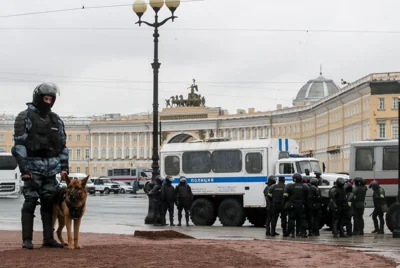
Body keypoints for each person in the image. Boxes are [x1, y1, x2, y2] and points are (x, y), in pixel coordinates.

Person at [11, 82, 67, 249]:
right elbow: (19, 145)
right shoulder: (24, 117)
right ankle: (27, 239)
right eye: (46, 98)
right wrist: (24, 170)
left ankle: (48, 238)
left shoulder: (56, 119)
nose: (48, 101)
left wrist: (64, 168)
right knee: (30, 201)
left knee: (49, 203)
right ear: (38, 97)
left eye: (51, 98)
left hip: (51, 169)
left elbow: (63, 146)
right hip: (32, 167)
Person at [283, 173, 308, 238]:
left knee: (291, 219)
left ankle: (292, 233)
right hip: (301, 206)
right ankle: (303, 233)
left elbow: (285, 197)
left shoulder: (289, 186)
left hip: (292, 206)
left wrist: (285, 203)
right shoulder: (305, 186)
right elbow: (307, 197)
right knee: (302, 220)